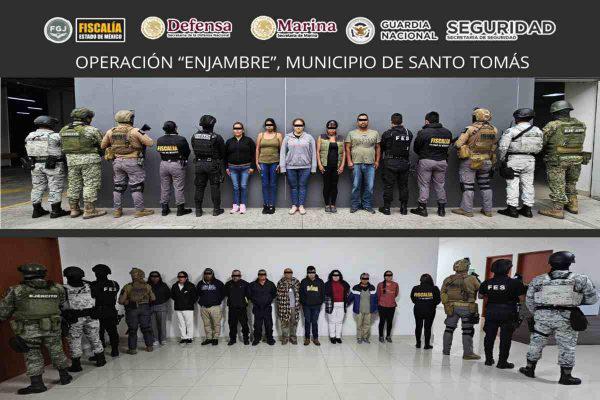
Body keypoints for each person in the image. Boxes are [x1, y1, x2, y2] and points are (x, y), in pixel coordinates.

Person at [519, 251, 598, 385]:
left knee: (536, 342)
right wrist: (574, 301)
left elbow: (530, 301)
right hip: (567, 318)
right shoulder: (580, 279)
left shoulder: (538, 280)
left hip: (542, 318)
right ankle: (566, 376)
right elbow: (592, 299)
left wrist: (539, 314)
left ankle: (529, 369)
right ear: (570, 263)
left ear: (551, 263)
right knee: (567, 346)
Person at [0, 264, 72, 394]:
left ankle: (37, 384)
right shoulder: (57, 288)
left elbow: (3, 312)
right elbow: (62, 304)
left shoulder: (16, 290)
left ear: (24, 274)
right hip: (52, 326)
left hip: (28, 328)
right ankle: (65, 376)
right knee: (57, 350)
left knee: (32, 355)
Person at [538, 101, 589, 219]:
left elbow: (542, 142)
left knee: (558, 184)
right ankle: (573, 205)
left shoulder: (553, 125)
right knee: (571, 182)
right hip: (576, 158)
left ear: (555, 112)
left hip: (557, 160)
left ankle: (557, 210)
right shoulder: (581, 124)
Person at [101, 110, 155, 218]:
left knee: (118, 187)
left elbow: (103, 146)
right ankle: (139, 210)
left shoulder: (111, 131)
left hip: (117, 162)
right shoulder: (135, 131)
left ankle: (117, 211)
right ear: (130, 119)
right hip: (133, 161)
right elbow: (150, 143)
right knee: (136, 186)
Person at [478, 259, 527, 368]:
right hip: (508, 312)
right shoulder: (515, 283)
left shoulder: (487, 282)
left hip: (491, 311)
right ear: (508, 270)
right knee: (505, 338)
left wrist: (493, 295)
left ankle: (488, 360)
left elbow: (480, 296)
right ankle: (502, 362)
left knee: (489, 336)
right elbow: (522, 299)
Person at [60, 107, 106, 219]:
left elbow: (62, 146)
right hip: (90, 161)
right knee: (90, 184)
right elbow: (103, 145)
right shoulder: (91, 130)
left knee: (73, 185)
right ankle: (89, 210)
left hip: (71, 161)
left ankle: (74, 210)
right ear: (87, 118)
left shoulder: (64, 130)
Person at [497, 108, 544, 218]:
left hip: (514, 159)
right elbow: (540, 147)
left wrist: (503, 159)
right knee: (528, 184)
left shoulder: (512, 131)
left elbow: (503, 147)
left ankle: (512, 209)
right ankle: (527, 210)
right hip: (530, 160)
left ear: (517, 118)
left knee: (513, 184)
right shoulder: (538, 131)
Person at [452, 108, 498, 218]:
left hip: (471, 161)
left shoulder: (470, 129)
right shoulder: (494, 130)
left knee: (468, 186)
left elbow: (458, 144)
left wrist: (459, 143)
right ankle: (488, 210)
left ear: (476, 116)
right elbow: (494, 144)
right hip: (487, 160)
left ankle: (467, 210)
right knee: (485, 185)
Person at [24, 115, 70, 219]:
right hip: (53, 165)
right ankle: (56, 211)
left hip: (35, 165)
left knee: (37, 187)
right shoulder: (55, 136)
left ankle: (36, 211)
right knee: (55, 187)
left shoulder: (30, 136)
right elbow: (65, 148)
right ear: (50, 124)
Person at [62, 266, 106, 371]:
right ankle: (101, 359)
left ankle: (76, 365)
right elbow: (99, 300)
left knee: (75, 341)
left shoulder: (63, 288)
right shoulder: (90, 286)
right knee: (95, 338)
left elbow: (61, 304)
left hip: (75, 318)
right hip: (90, 316)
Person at [411, 111, 452, 217]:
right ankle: (442, 209)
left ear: (426, 121)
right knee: (440, 185)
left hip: (426, 161)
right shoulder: (447, 132)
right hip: (442, 161)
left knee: (424, 185)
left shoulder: (424, 132)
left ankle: (422, 208)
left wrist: (424, 154)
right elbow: (448, 147)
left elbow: (416, 147)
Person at [440, 258, 481, 359]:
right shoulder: (472, 278)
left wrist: (446, 304)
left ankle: (446, 351)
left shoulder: (448, 279)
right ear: (466, 267)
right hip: (467, 308)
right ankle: (468, 353)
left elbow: (443, 292)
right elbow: (480, 288)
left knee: (449, 329)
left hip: (452, 308)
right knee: (467, 330)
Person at [280, 118, 317, 215]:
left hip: (306, 167)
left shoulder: (309, 137)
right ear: (293, 126)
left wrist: (313, 167)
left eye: (300, 125)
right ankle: (294, 205)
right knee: (293, 187)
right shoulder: (287, 137)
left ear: (303, 126)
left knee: (302, 186)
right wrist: (282, 167)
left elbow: (313, 153)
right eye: (296, 125)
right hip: (290, 167)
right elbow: (282, 153)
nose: (298, 127)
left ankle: (301, 206)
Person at [345, 113, 381, 213]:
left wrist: (377, 161)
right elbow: (347, 148)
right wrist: (349, 161)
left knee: (369, 186)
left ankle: (367, 205)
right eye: (361, 120)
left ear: (367, 121)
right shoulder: (351, 133)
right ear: (357, 122)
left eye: (365, 119)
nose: (363, 121)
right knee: (356, 185)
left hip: (371, 164)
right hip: (356, 163)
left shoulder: (375, 133)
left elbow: (378, 148)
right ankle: (355, 205)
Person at [191, 115, 226, 217]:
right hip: (212, 164)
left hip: (199, 164)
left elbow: (194, 148)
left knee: (199, 187)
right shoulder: (217, 137)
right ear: (213, 124)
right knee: (215, 187)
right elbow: (222, 153)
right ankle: (216, 210)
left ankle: (198, 211)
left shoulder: (194, 136)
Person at [379, 113, 413, 215]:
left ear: (391, 122)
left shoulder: (387, 133)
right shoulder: (409, 133)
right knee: (403, 186)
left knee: (388, 186)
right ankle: (404, 208)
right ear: (402, 122)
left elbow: (382, 147)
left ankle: (386, 208)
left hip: (390, 162)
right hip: (404, 162)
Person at [156, 120, 192, 216]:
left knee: (164, 187)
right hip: (176, 164)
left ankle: (164, 209)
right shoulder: (181, 139)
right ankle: (180, 209)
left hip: (163, 164)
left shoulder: (160, 140)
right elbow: (187, 152)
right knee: (178, 187)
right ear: (175, 128)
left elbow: (159, 151)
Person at [118, 268, 155, 354]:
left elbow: (121, 301)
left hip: (132, 309)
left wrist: (127, 301)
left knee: (132, 330)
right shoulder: (147, 286)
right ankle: (149, 347)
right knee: (146, 328)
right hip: (145, 308)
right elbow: (153, 298)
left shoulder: (127, 286)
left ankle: (132, 349)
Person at [225, 122, 256, 214]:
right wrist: (226, 167)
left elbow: (254, 154)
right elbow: (225, 156)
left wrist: (252, 167)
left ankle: (242, 205)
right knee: (235, 187)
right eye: (235, 128)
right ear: (233, 130)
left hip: (246, 167)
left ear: (242, 130)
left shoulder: (248, 141)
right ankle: (235, 205)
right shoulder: (229, 141)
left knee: (243, 186)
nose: (237, 130)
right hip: (232, 168)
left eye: (239, 128)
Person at [90, 264, 120, 357]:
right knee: (112, 332)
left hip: (99, 311)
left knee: (99, 333)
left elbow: (93, 296)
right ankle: (114, 351)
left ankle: (100, 353)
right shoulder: (114, 284)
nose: (96, 274)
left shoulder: (93, 285)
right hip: (110, 310)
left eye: (97, 273)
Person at [316, 120, 345, 213]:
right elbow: (318, 151)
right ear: (327, 128)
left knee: (334, 185)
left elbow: (344, 152)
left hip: (336, 166)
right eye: (330, 128)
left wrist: (342, 166)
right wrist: (319, 164)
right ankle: (327, 205)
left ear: (336, 128)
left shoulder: (340, 138)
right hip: (325, 165)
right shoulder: (321, 137)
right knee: (326, 185)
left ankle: (333, 204)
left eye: (333, 128)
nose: (331, 130)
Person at [256, 118, 283, 214]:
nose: (269, 126)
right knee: (264, 184)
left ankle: (272, 205)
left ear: (274, 125)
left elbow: (282, 150)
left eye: (271, 125)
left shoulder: (278, 135)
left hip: (274, 163)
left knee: (273, 184)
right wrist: (256, 162)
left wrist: (280, 163)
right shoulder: (261, 135)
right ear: (265, 126)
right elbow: (257, 149)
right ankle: (266, 205)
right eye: (267, 125)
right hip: (263, 162)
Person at [410, 273, 441, 349]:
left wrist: (419, 302)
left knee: (418, 326)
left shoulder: (415, 288)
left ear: (421, 280)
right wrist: (431, 304)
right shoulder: (434, 288)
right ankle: (427, 345)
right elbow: (438, 300)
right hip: (430, 310)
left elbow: (413, 298)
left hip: (418, 310)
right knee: (428, 327)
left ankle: (418, 344)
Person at [247, 269, 277, 345]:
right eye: (260, 274)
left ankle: (270, 339)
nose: (262, 275)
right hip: (257, 308)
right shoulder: (252, 284)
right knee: (257, 325)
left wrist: (269, 300)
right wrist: (255, 301)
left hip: (267, 308)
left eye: (263, 274)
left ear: (266, 275)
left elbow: (274, 294)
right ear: (258, 275)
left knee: (269, 324)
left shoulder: (270, 284)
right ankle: (257, 339)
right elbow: (249, 295)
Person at [197, 268, 225, 345]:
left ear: (212, 274)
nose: (207, 275)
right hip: (204, 308)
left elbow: (223, 294)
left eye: (209, 274)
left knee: (216, 323)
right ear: (204, 275)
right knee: (206, 324)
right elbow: (198, 294)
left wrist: (217, 301)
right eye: (206, 274)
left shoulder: (218, 283)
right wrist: (201, 302)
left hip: (215, 307)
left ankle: (215, 338)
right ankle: (209, 338)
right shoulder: (200, 283)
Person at [299, 266, 325, 345]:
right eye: (309, 273)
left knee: (314, 322)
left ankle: (315, 338)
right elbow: (301, 293)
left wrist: (320, 302)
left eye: (312, 272)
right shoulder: (303, 281)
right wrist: (303, 302)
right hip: (306, 306)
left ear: (315, 272)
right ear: (307, 273)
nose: (311, 274)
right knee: (307, 322)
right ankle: (307, 338)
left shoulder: (320, 281)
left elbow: (323, 293)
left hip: (316, 306)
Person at [224, 270, 250, 345]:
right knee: (232, 325)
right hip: (232, 309)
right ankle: (232, 339)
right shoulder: (228, 284)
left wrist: (244, 303)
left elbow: (248, 295)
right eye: (233, 276)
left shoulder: (245, 284)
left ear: (240, 276)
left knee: (244, 325)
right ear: (232, 276)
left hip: (242, 308)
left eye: (237, 275)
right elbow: (226, 294)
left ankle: (246, 339)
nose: (235, 277)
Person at [324, 269, 351, 343]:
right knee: (331, 321)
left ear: (340, 276)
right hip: (331, 305)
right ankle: (332, 337)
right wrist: (326, 301)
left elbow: (349, 293)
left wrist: (347, 302)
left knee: (339, 322)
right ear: (331, 276)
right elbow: (323, 294)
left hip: (342, 305)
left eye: (337, 275)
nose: (336, 277)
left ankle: (338, 337)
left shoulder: (344, 283)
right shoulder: (327, 284)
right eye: (334, 275)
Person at [170, 271, 197, 344]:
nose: (180, 278)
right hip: (178, 307)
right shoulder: (174, 286)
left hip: (188, 308)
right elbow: (172, 296)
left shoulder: (191, 285)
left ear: (186, 277)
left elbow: (195, 297)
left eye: (182, 277)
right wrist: (179, 301)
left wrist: (189, 303)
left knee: (189, 323)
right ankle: (183, 337)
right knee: (181, 323)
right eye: (179, 277)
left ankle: (189, 337)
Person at [276, 267, 301, 345]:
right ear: (284, 274)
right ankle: (285, 338)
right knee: (284, 323)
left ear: (292, 273)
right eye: (286, 272)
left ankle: (293, 338)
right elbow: (277, 295)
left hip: (294, 306)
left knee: (294, 323)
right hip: (284, 306)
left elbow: (300, 293)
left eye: (289, 272)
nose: (288, 274)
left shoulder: (296, 282)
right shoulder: (280, 282)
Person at [351, 273, 378, 343]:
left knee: (367, 325)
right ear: (360, 279)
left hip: (369, 310)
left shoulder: (372, 288)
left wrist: (376, 308)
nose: (365, 280)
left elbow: (375, 299)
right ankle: (359, 338)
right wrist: (345, 303)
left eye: (367, 278)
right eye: (363, 278)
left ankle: (365, 338)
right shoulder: (356, 287)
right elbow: (350, 297)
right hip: (359, 310)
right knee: (359, 325)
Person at [147, 271, 171, 346]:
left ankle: (163, 339)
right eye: (152, 276)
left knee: (162, 325)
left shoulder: (163, 285)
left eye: (156, 276)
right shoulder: (146, 285)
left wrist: (162, 301)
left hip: (161, 307)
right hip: (150, 307)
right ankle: (155, 339)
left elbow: (168, 295)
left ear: (159, 277)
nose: (154, 278)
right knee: (152, 325)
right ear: (150, 277)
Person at [377, 270, 399, 343]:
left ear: (392, 276)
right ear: (384, 276)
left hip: (391, 306)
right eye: (387, 275)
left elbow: (395, 294)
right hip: (382, 306)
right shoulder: (380, 284)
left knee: (390, 322)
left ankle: (388, 336)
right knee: (382, 321)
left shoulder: (395, 284)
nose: (389, 276)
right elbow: (378, 295)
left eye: (390, 275)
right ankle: (381, 336)